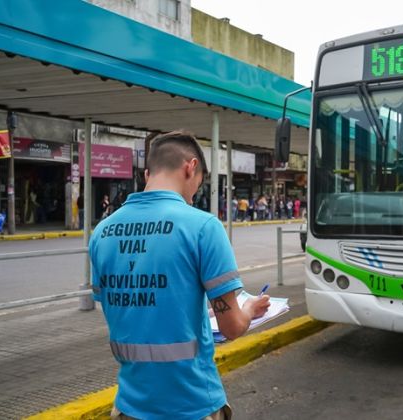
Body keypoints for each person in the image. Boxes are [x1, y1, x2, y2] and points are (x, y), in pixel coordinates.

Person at [89, 131, 270, 419]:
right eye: (199, 182)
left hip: (128, 406)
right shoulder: (203, 226)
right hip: (192, 404)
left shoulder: (102, 232)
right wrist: (248, 308)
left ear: (149, 172)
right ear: (191, 167)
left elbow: (133, 305)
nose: (195, 191)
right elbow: (232, 327)